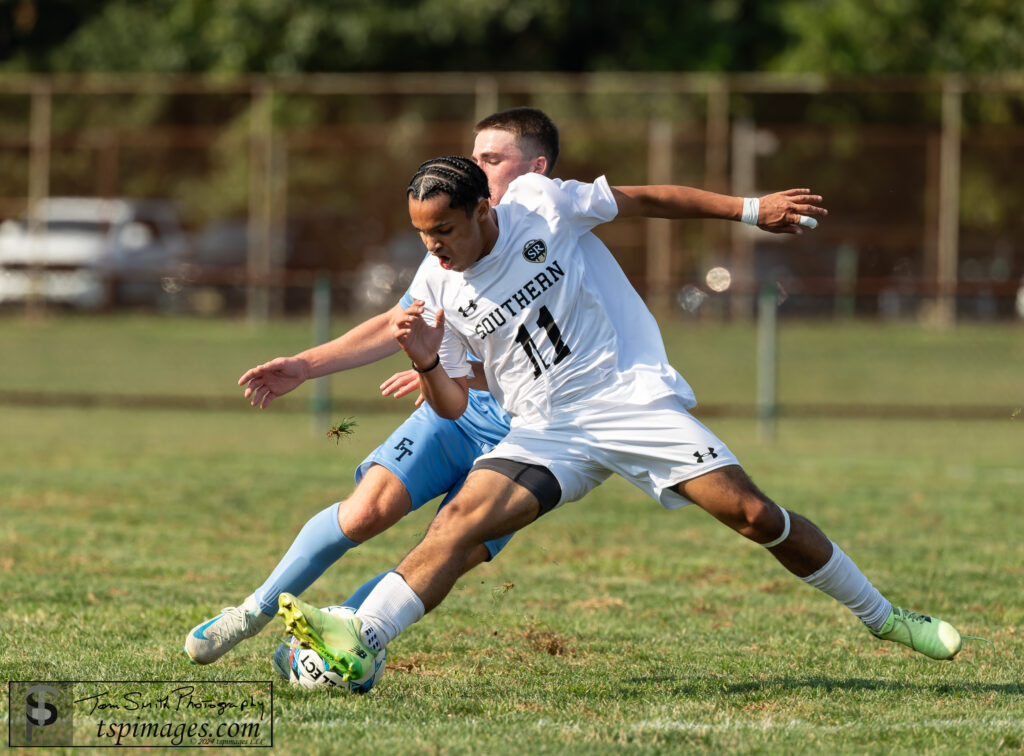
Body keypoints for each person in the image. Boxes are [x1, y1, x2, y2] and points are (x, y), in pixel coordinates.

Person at [277, 155, 964, 688]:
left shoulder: (542, 206)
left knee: (753, 515)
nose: (434, 248)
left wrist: (751, 209)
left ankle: (886, 617)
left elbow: (644, 200)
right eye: (422, 235)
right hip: (545, 429)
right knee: (457, 525)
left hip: (629, 401)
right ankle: (361, 638)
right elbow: (455, 405)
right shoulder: (436, 286)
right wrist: (429, 365)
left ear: (484, 209)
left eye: (445, 230)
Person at [184, 108, 825, 666]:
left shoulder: (552, 213)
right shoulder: (449, 242)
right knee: (368, 511)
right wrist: (311, 363)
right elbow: (404, 321)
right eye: (472, 156)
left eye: (490, 159)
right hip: (460, 413)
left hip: (536, 431)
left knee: (448, 549)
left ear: (533, 169)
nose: (473, 167)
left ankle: (329, 646)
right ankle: (254, 610)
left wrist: (746, 210)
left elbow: (558, 330)